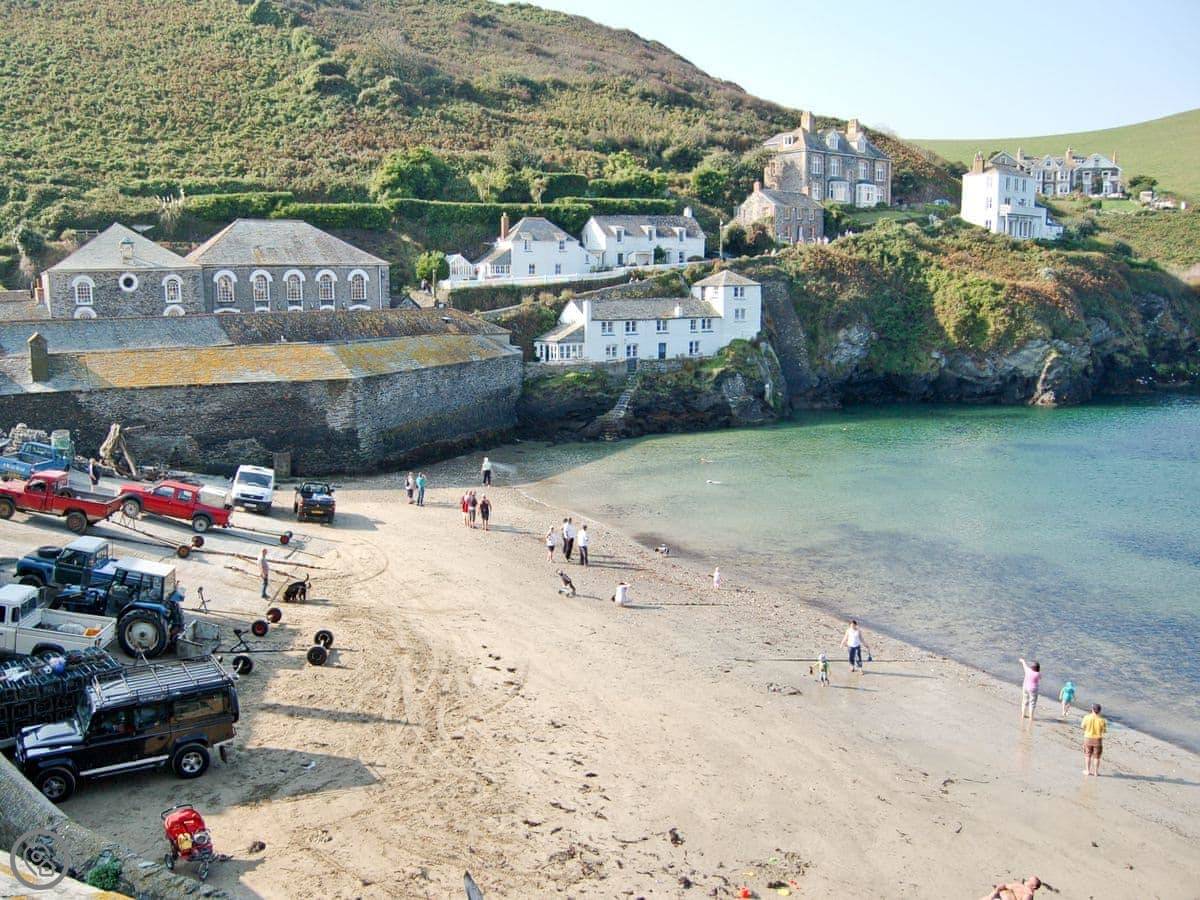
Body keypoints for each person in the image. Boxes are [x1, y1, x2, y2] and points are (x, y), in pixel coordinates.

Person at [1082, 703, 1107, 776]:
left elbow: (1083, 726)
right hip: (1097, 740)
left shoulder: (1087, 717)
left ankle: (1087, 771)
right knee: (1097, 757)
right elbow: (1104, 731)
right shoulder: (1102, 720)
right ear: (1100, 711)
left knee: (1088, 755)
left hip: (1088, 738)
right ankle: (1096, 772)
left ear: (1092, 709)